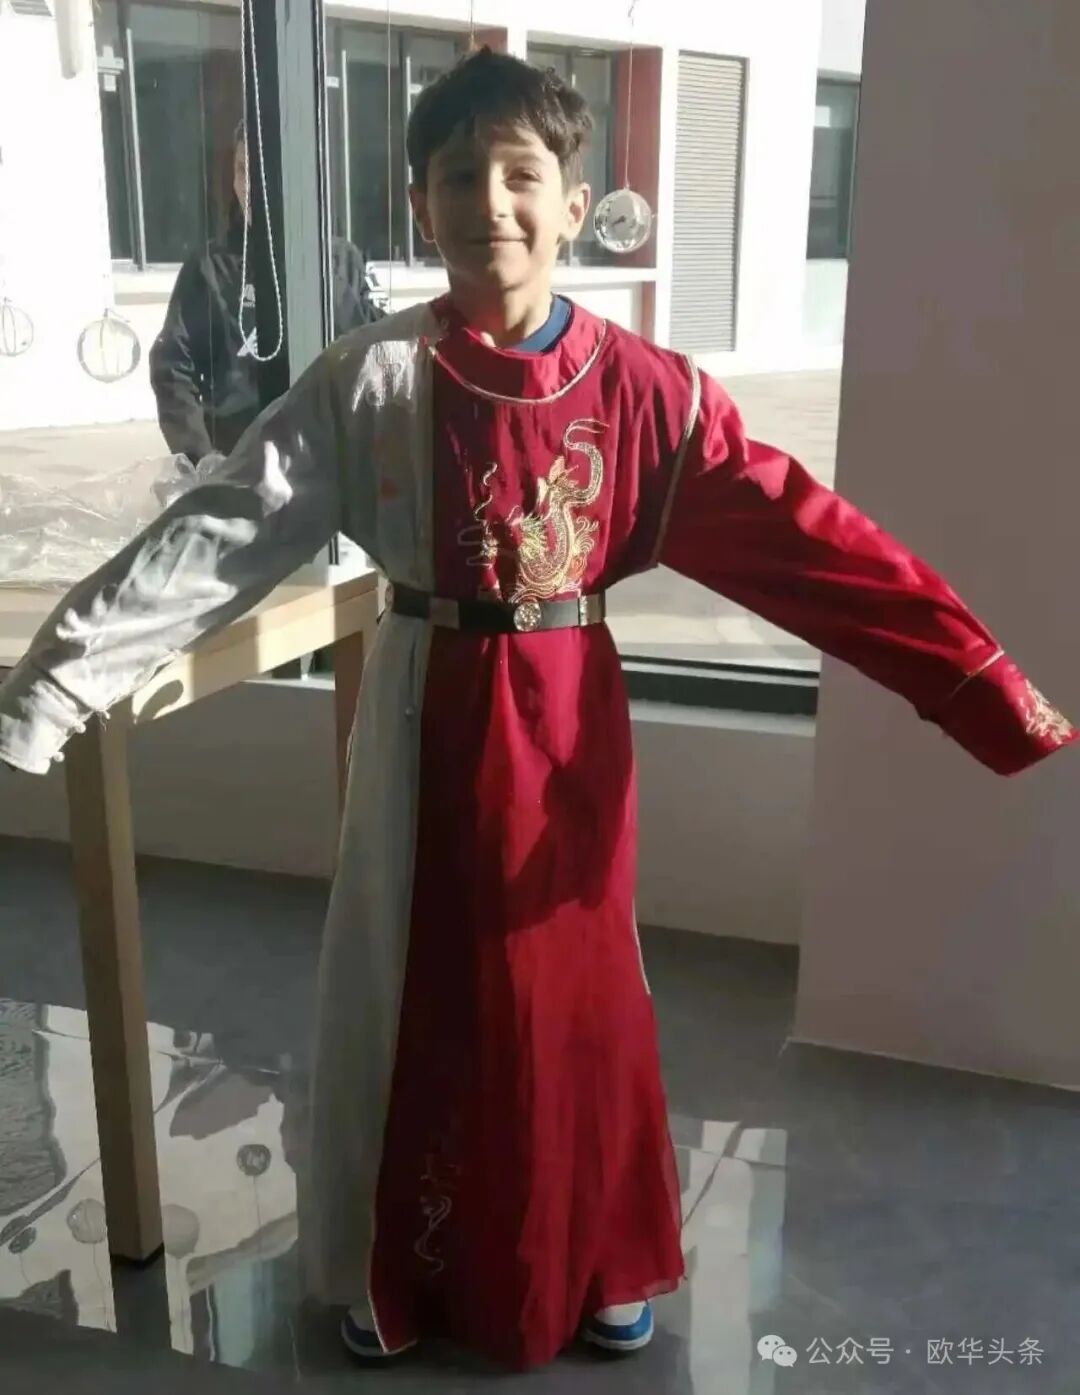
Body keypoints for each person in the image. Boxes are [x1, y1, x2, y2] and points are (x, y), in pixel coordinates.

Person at [0, 49, 1075, 1372]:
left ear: (575, 204)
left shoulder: (648, 392)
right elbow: (221, 533)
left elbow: (809, 540)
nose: (490, 204)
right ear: (418, 203)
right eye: (459, 176)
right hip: (420, 706)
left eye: (521, 176)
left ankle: (599, 1250)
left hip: (569, 717)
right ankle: (394, 1261)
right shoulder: (371, 381)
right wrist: (56, 679)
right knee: (403, 975)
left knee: (578, 989)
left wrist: (976, 681)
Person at [149, 120, 383, 465]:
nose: (249, 186)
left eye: (262, 173)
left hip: (327, 457)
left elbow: (380, 349)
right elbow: (172, 367)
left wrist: (317, 264)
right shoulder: (208, 267)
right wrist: (201, 455)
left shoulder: (342, 260)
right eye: (241, 170)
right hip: (239, 457)